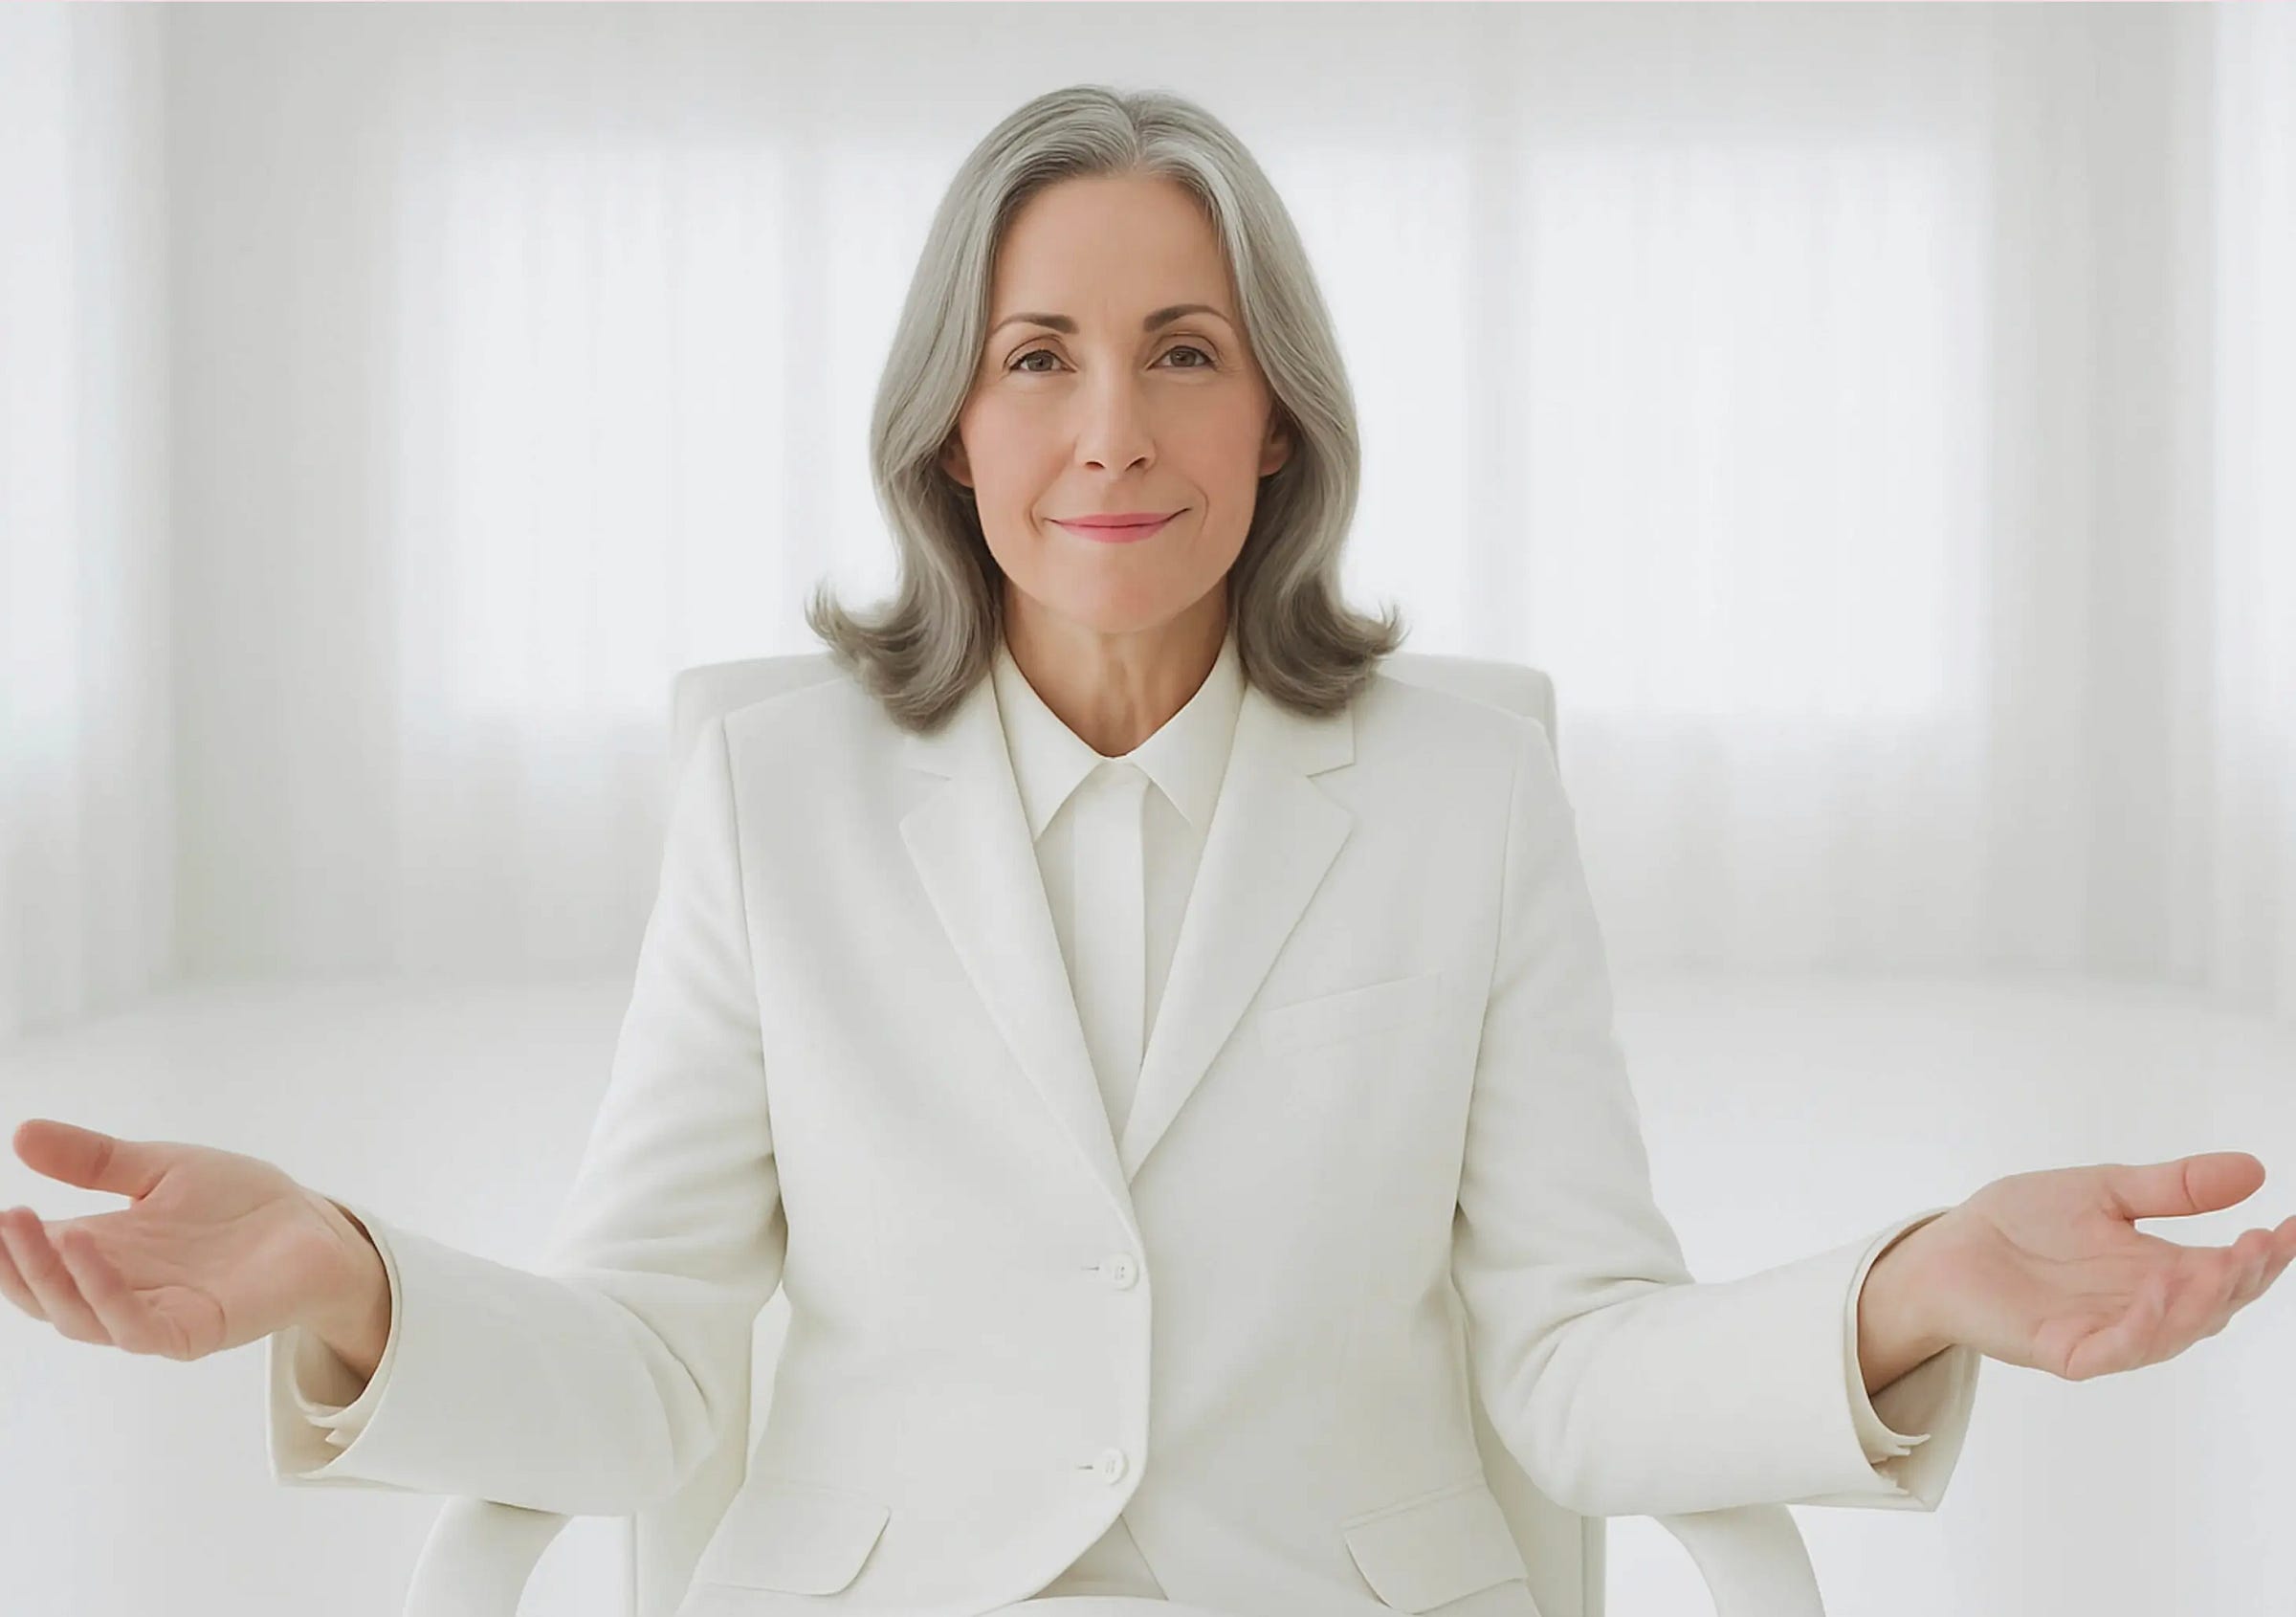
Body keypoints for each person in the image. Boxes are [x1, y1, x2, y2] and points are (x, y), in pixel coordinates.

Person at [5, 82, 2292, 1617]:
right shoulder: (775, 796)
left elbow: (1571, 1362)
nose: (1113, 429)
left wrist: (1908, 1289)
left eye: (1185, 351)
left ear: (1278, 419)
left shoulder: (1467, 795)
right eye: (1041, 356)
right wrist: (344, 1272)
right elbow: (656, 1365)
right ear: (950, 424)